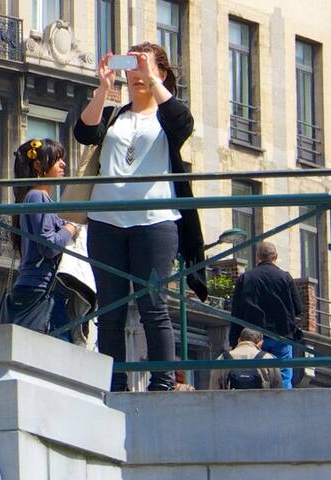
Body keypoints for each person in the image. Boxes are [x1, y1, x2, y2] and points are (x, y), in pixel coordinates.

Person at [72, 43, 202, 392]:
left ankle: (161, 383)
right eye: (131, 66)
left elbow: (183, 123)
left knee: (153, 307)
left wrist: (153, 80)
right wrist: (103, 87)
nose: (136, 75)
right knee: (110, 309)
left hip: (154, 222)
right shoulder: (116, 114)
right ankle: (114, 383)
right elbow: (84, 132)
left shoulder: (165, 115)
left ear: (161, 73)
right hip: (107, 222)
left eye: (143, 67)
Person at [2, 139, 80, 337]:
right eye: (57, 160)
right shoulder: (37, 196)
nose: (63, 164)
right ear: (38, 166)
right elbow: (49, 245)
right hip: (40, 289)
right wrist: (71, 227)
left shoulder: (35, 197)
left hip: (36, 286)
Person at [228, 242, 304, 389]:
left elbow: (236, 313)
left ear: (258, 257)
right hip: (281, 336)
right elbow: (298, 308)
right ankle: (283, 406)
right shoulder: (285, 277)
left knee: (255, 376)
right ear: (275, 257)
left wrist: (233, 341)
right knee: (283, 378)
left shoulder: (246, 278)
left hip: (253, 337)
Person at [211, 329, 281, 390]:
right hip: (260, 404)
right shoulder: (268, 359)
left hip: (230, 404)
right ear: (260, 343)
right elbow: (278, 390)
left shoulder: (223, 358)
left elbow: (213, 389)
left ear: (239, 340)